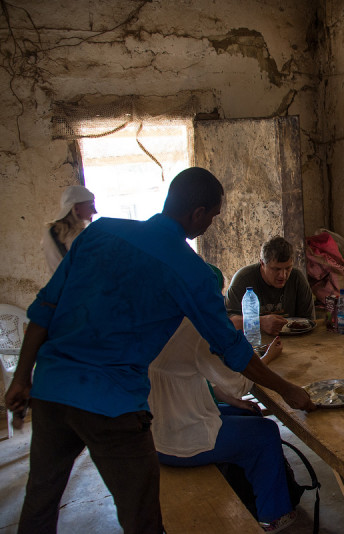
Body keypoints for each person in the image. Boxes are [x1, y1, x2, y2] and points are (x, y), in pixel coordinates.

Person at [5, 167, 315, 534]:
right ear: (197, 213)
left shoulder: (101, 232)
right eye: (213, 216)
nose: (211, 224)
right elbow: (231, 349)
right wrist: (286, 389)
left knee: (40, 501)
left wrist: (21, 378)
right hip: (113, 404)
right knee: (141, 513)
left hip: (51, 389)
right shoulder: (190, 270)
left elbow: (45, 307)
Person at [149, 309, 296, 532]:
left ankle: (249, 495)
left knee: (248, 414)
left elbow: (203, 374)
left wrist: (232, 401)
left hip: (155, 431)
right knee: (266, 433)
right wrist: (267, 358)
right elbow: (240, 384)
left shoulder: (161, 318)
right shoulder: (195, 330)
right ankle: (274, 517)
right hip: (179, 441)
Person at [225, 237, 314, 336]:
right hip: (254, 339)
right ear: (262, 264)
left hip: (293, 339)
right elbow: (228, 322)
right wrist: (260, 322)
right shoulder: (242, 280)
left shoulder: (297, 279)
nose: (283, 275)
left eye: (288, 268)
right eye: (276, 269)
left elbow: (309, 321)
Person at [42, 185, 97, 273]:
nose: (95, 211)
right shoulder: (76, 234)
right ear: (76, 209)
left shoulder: (51, 231)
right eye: (91, 206)